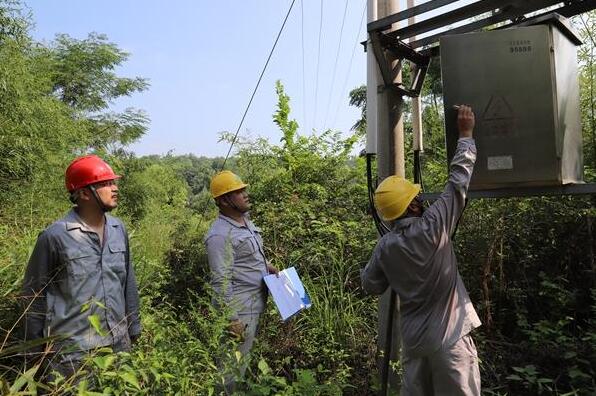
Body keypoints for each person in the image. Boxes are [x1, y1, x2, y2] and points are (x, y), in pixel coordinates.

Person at [361, 105, 481, 395]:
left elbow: (370, 284)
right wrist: (466, 135)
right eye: (416, 196)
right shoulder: (435, 224)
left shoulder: (384, 247)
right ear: (413, 205)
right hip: (450, 340)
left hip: (414, 343)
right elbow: (457, 183)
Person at [22, 154, 141, 380]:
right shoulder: (55, 237)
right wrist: (34, 355)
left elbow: (128, 283)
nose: (114, 188)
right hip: (72, 355)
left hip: (118, 346)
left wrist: (133, 329)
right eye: (105, 184)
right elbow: (33, 296)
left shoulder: (118, 229)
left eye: (113, 182)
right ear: (84, 193)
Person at [204, 170, 278, 392]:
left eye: (243, 189)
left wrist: (269, 268)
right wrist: (231, 320)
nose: (245, 194)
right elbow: (221, 281)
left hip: (254, 306)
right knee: (230, 370)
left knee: (243, 367)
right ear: (224, 200)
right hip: (240, 312)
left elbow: (245, 262)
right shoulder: (219, 235)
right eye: (237, 192)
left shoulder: (245, 223)